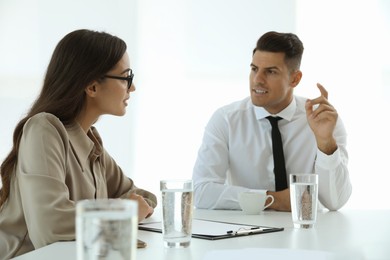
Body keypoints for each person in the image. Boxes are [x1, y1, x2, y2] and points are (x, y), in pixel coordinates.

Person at [0, 29, 157, 259]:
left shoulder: (90, 141)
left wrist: (124, 207)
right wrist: (126, 211)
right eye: (126, 77)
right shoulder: (43, 130)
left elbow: (141, 196)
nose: (132, 88)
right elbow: (50, 226)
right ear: (92, 87)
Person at [192, 31, 352, 212]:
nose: (257, 80)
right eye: (254, 69)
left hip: (308, 234)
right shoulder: (226, 120)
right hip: (246, 235)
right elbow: (201, 192)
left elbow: (335, 201)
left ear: (295, 78)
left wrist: (326, 143)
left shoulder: (323, 121)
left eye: (270, 72)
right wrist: (272, 199)